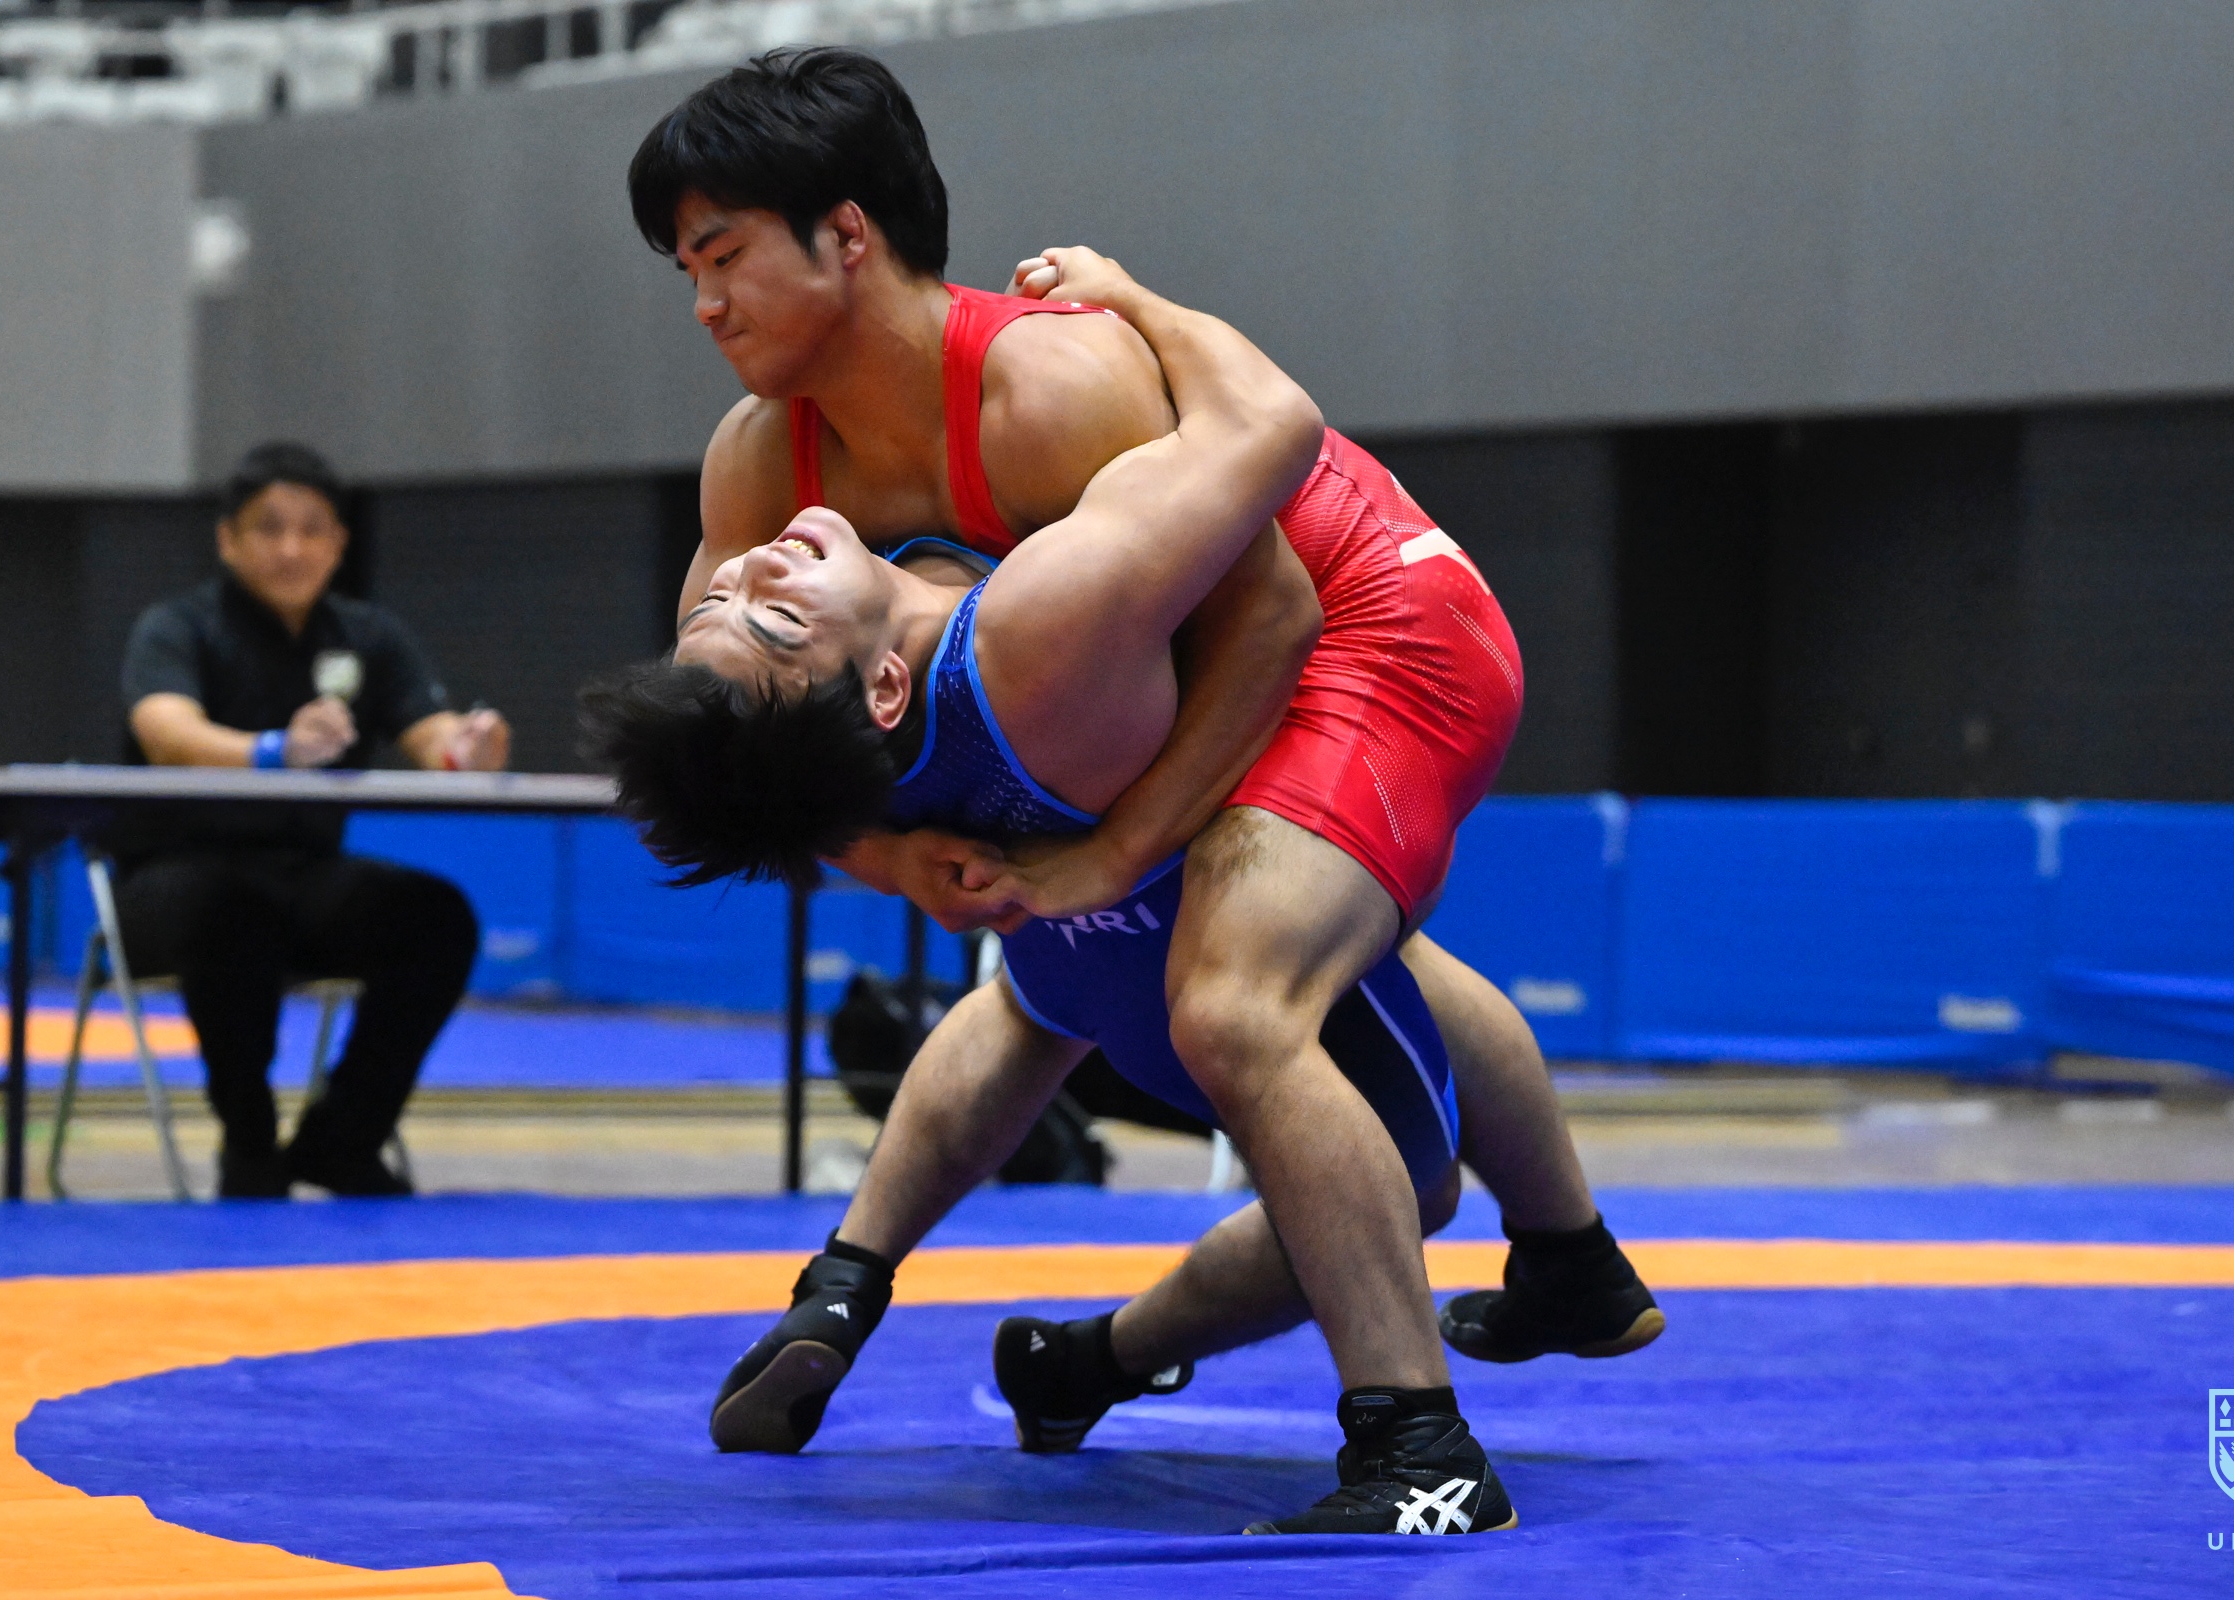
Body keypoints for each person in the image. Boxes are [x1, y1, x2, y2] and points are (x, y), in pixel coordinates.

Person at [624, 48, 1651, 1406]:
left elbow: (1270, 620)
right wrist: (892, 860)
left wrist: (1111, 860)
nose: (703, 304)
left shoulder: (1047, 387)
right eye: (684, 273)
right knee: (1094, 959)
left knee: (1233, 989)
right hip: (1181, 652)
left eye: (722, 258)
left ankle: (1410, 1436)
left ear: (847, 236)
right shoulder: (757, 461)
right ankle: (1570, 1258)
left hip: (1368, 620)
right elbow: (722, 745)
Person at [116, 441, 511, 1199]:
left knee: (436, 919)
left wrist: (467, 747)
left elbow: (429, 735)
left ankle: (341, 1139)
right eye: (269, 528)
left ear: (338, 543)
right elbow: (166, 732)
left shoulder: (367, 636)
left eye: (311, 529)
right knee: (231, 912)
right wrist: (273, 751)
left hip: (303, 877)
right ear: (228, 539)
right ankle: (248, 1143)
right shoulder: (176, 627)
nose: (291, 548)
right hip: (170, 883)